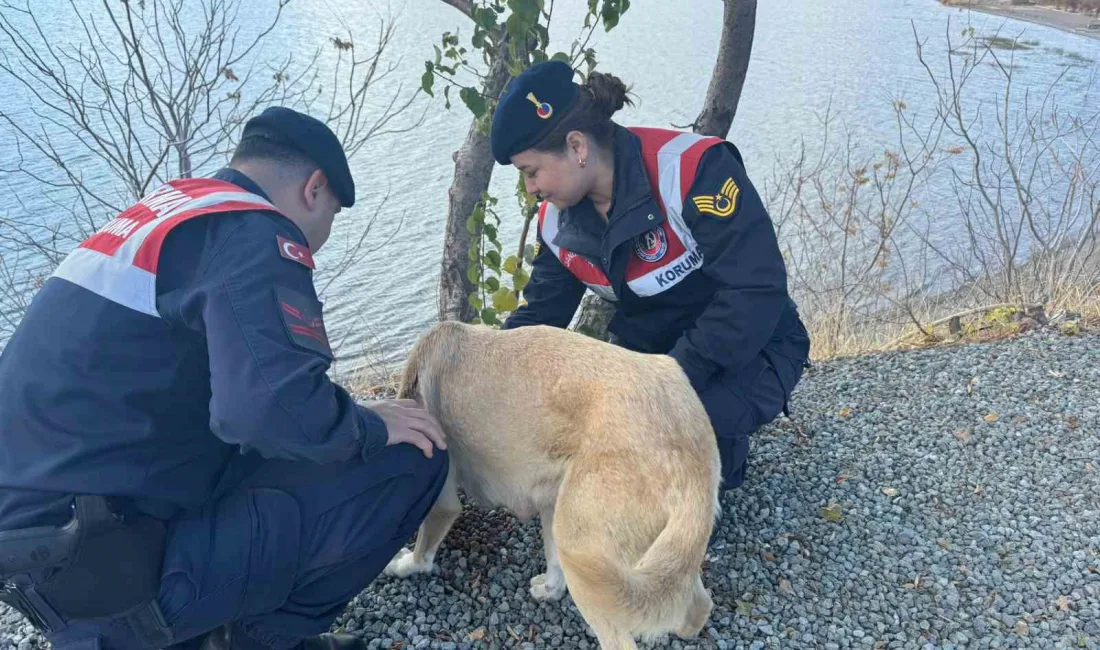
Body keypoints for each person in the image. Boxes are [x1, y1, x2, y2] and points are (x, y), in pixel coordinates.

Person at [0, 107, 448, 650]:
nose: (320, 241)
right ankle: (253, 640)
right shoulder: (253, 233)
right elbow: (271, 414)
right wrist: (368, 427)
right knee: (412, 458)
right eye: (330, 218)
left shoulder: (166, 214)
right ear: (314, 189)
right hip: (116, 569)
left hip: (50, 561)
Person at [491, 61, 811, 492]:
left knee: (654, 459)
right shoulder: (556, 222)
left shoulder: (694, 170)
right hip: (654, 360)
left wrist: (664, 388)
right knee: (592, 443)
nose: (530, 188)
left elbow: (755, 291)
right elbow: (540, 317)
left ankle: (714, 450)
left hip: (755, 347)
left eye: (531, 171)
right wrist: (487, 370)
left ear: (577, 146)